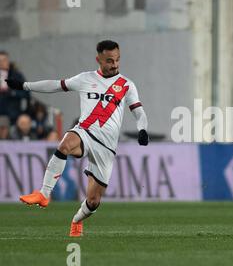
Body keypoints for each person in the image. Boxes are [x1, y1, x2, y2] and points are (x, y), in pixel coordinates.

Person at [6, 40, 150, 237]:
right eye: (109, 61)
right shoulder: (85, 78)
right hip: (85, 131)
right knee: (65, 144)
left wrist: (142, 129)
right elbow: (56, 85)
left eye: (117, 60)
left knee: (93, 201)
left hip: (106, 147)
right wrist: (24, 85)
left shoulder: (126, 85)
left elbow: (139, 112)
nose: (114, 65)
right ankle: (44, 194)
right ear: (98, 59)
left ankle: (76, 221)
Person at [0, 50, 29, 123]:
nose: (1, 63)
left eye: (4, 60)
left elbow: (26, 93)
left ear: (8, 61)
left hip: (13, 117)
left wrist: (11, 92)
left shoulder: (16, 76)